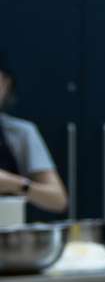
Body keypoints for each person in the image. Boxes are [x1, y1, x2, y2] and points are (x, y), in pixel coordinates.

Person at [0, 56, 70, 217]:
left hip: (9, 236)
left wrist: (13, 184)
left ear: (6, 84)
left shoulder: (20, 133)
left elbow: (58, 200)